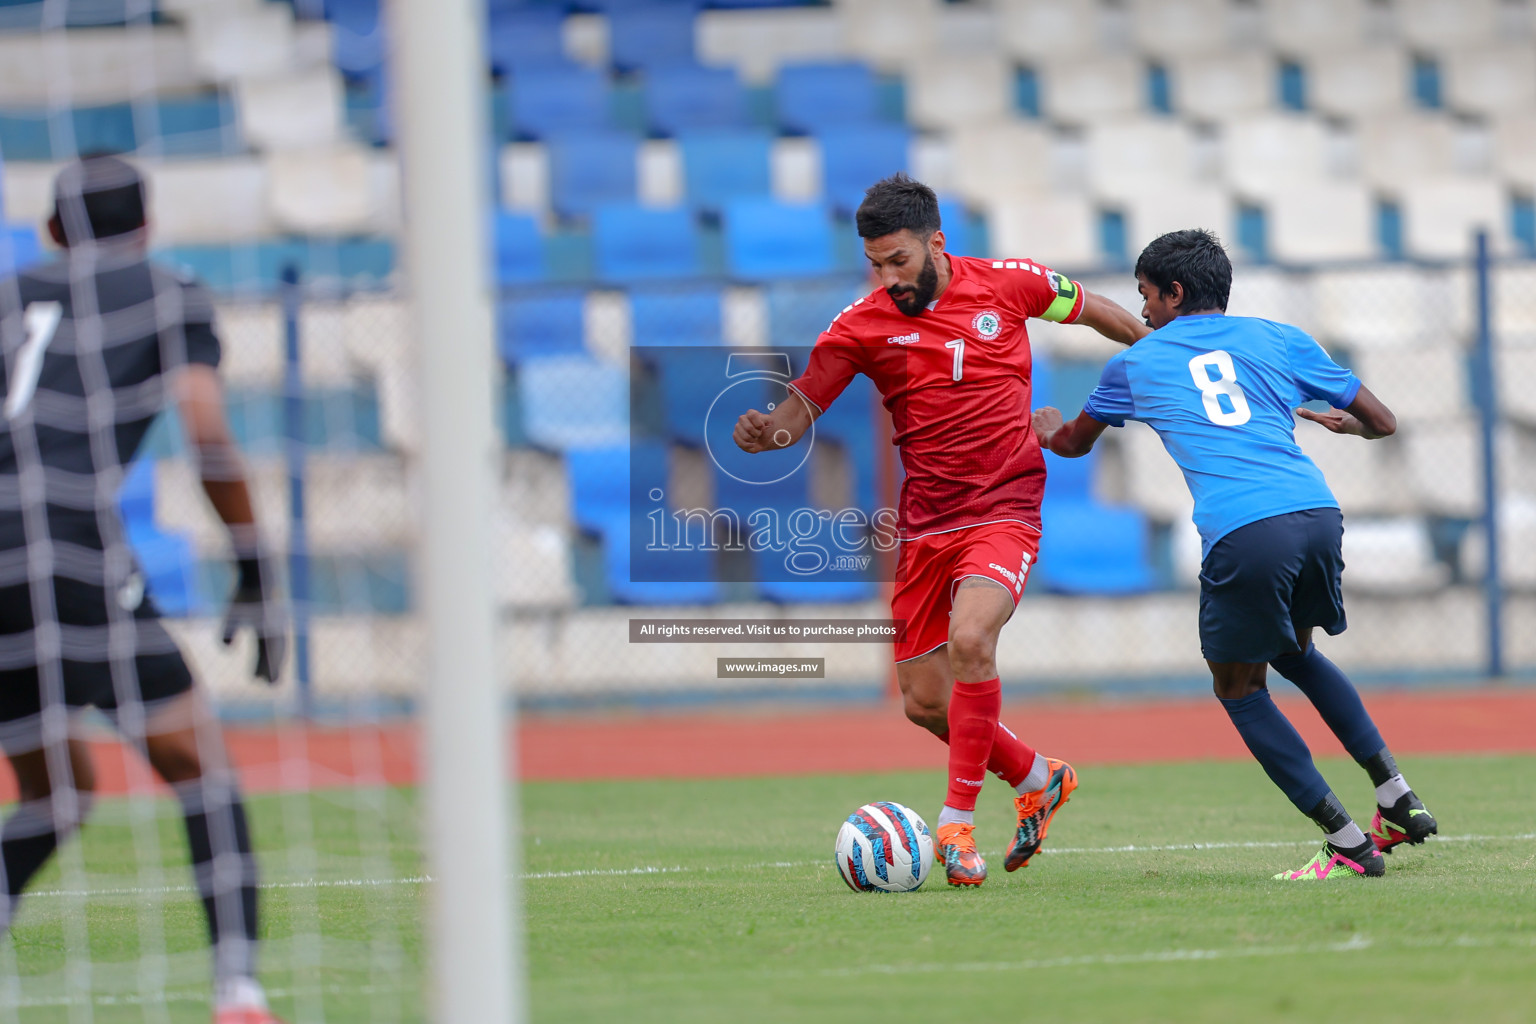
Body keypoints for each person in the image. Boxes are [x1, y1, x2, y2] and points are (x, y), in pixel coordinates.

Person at [733, 174, 1148, 887]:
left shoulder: (1009, 285)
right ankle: (1038, 776)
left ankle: (956, 825)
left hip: (1005, 506)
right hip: (926, 526)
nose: (888, 278)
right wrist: (770, 433)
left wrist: (1164, 353)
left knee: (970, 642)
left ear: (936, 243)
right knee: (924, 703)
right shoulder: (860, 325)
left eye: (899, 261)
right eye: (875, 264)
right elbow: (803, 404)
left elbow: (1096, 310)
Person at [1033, 228, 1437, 881]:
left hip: (1246, 531)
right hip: (1316, 515)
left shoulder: (1137, 362)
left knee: (1239, 688)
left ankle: (1348, 842)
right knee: (1293, 652)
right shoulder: (1280, 337)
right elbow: (1384, 421)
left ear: (1175, 291)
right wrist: (1348, 424)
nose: (1142, 313)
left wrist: (1050, 432)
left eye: (1146, 297)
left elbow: (1079, 443)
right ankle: (1396, 796)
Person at [0, 155, 288, 1020]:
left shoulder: (12, 293)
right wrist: (256, 567)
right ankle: (238, 989)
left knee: (57, 793)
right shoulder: (170, 293)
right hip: (66, 549)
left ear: (53, 230)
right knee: (200, 771)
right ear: (148, 227)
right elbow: (205, 430)